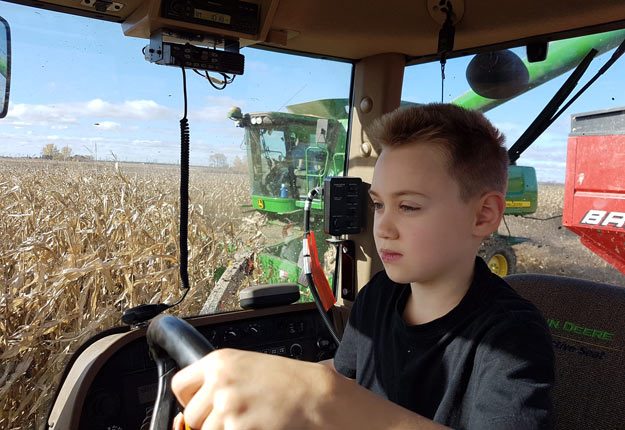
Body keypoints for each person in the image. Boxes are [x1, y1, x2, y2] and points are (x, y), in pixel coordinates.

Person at [171, 103, 555, 430]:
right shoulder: (379, 295)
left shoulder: (511, 338)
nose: (383, 228)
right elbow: (342, 375)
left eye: (408, 206)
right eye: (378, 204)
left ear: (483, 216)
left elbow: (337, 394)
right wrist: (264, 387)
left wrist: (322, 398)